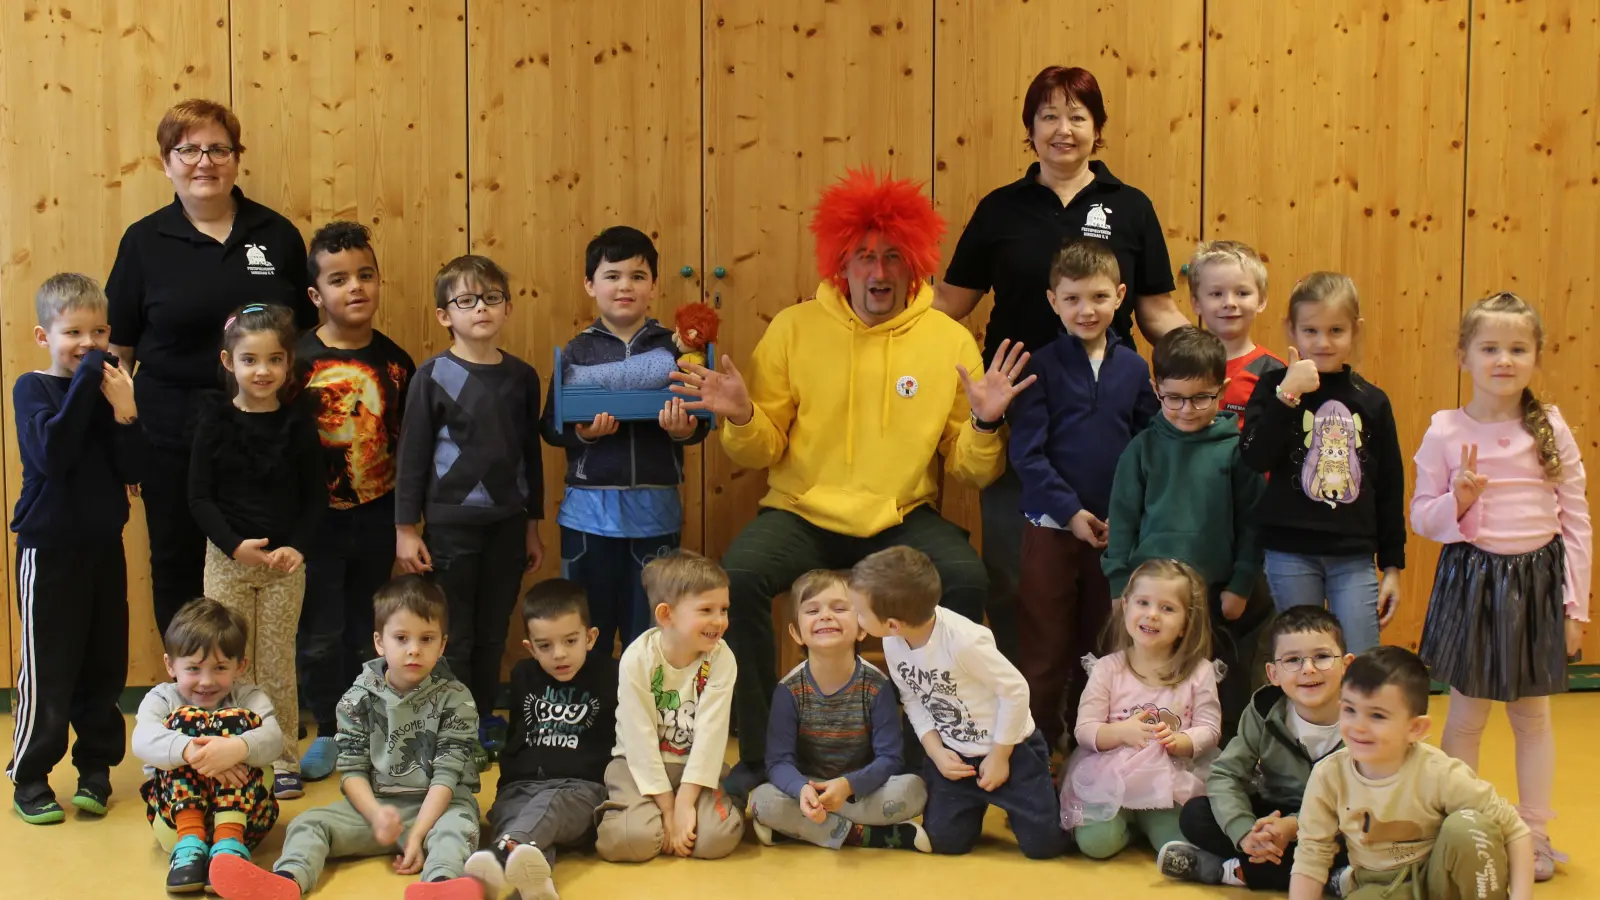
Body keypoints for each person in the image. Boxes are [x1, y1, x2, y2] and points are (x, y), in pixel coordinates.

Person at [670, 169, 1033, 783]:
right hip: (801, 510)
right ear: (843, 264)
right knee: (742, 576)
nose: (879, 271)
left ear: (913, 266)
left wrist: (983, 422)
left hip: (900, 516)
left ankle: (942, 748)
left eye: (893, 256)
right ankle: (761, 754)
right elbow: (761, 451)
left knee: (966, 580)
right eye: (865, 257)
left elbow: (972, 471)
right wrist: (741, 416)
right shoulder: (793, 328)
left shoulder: (947, 340)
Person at [936, 65, 1188, 665]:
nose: (1063, 129)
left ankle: (1098, 718)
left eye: (1077, 116)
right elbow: (949, 304)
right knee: (1017, 571)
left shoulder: (1130, 207)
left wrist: (1215, 365)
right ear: (1030, 129)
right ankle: (1027, 719)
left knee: (1110, 570)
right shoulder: (1001, 209)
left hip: (1110, 412)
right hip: (1016, 403)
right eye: (1049, 115)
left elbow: (1157, 310)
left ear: (1097, 129)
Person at [107, 98, 318, 636]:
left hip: (268, 439)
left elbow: (311, 335)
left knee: (269, 561)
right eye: (189, 150)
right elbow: (119, 352)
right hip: (171, 438)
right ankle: (189, 688)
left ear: (236, 158)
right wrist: (125, 444)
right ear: (166, 162)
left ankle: (255, 691)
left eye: (218, 149)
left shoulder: (276, 234)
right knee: (177, 560)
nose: (205, 161)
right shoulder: (143, 241)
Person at [1412, 292, 1591, 881]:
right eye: (1490, 348)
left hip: (1538, 585)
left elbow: (1575, 519)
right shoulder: (1444, 430)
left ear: (1536, 356)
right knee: (1465, 717)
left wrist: (1575, 606)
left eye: (1518, 348)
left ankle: (1534, 832)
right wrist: (1456, 502)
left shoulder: (1552, 428)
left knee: (1532, 718)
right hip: (1471, 581)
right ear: (1464, 355)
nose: (1504, 360)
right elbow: (1422, 518)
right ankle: (1467, 826)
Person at [210, 576, 484, 900]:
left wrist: (418, 835)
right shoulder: (357, 698)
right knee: (309, 822)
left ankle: (440, 885)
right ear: (380, 642)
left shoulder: (457, 698)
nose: (414, 649)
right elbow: (352, 771)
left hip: (439, 807)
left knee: (458, 830)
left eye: (426, 639)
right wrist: (376, 816)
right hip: (376, 808)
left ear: (442, 645)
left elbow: (447, 774)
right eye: (401, 638)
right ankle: (286, 881)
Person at [1007, 237, 1159, 750]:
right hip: (1052, 530)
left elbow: (1148, 447)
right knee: (1046, 647)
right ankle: (1040, 745)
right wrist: (1070, 511)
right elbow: (1027, 455)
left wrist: (1128, 515)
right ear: (1053, 301)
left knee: (1103, 644)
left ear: (1119, 295)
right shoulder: (1039, 366)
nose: (1085, 310)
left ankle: (1091, 745)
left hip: (1115, 537)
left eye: (1097, 297)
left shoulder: (1136, 369)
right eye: (1071, 299)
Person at [396, 254, 546, 760]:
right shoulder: (432, 377)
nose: (480, 308)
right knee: (452, 633)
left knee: (491, 632)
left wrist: (532, 525)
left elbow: (531, 455)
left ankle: (481, 718)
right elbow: (413, 456)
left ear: (507, 307)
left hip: (507, 525)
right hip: (450, 528)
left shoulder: (522, 377)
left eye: (491, 298)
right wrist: (406, 528)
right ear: (445, 315)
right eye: (466, 300)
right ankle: (450, 725)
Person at [7, 274, 143, 825]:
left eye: (99, 331)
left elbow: (134, 471)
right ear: (44, 336)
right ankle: (32, 775)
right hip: (50, 550)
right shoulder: (32, 389)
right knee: (49, 668)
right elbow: (53, 456)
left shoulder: (113, 388)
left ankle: (95, 770)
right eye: (73, 333)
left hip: (102, 548)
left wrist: (128, 410)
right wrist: (92, 377)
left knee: (103, 664)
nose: (88, 344)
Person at [540, 225, 709, 659]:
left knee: (650, 629)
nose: (624, 287)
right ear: (590, 285)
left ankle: (645, 722)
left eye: (637, 276)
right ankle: (591, 717)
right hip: (587, 517)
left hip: (655, 513)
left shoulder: (675, 350)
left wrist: (683, 429)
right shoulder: (576, 352)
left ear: (653, 285)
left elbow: (701, 421)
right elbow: (550, 426)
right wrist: (581, 433)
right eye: (612, 275)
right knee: (584, 628)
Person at [293, 221, 416, 782]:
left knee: (371, 627)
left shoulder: (396, 363)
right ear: (317, 295)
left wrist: (407, 524)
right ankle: (328, 727)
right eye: (339, 279)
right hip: (311, 523)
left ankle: (369, 726)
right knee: (320, 633)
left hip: (376, 516)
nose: (356, 288)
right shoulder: (294, 363)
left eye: (365, 275)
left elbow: (409, 448)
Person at [1102, 326, 1267, 742]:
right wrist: (1120, 585)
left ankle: (1220, 763)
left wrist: (1242, 583)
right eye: (1173, 397)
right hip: (1151, 599)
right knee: (1151, 683)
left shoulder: (1235, 451)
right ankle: (1151, 762)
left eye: (1201, 398)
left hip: (1213, 596)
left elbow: (1252, 522)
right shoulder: (1142, 449)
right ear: (1157, 389)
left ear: (1223, 389)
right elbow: (1122, 521)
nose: (1187, 409)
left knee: (1215, 687)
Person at [189, 304, 326, 799]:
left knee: (275, 665)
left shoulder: (297, 425)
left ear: (288, 364)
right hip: (227, 565)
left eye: (273, 359)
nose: (261, 370)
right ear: (229, 363)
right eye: (249, 360)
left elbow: (315, 498)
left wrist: (298, 548)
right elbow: (199, 498)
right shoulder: (215, 422)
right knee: (222, 660)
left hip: (283, 569)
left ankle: (283, 754)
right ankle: (223, 751)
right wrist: (233, 546)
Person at [853, 547, 1064, 859]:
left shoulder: (964, 642)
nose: (856, 617)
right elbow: (912, 698)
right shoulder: (892, 642)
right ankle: (972, 803)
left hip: (1011, 751)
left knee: (1044, 846)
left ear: (893, 623)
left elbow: (1016, 691)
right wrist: (937, 752)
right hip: (956, 756)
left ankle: (1055, 794)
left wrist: (1000, 756)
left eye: (860, 613)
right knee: (946, 843)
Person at [1241, 273, 1406, 653]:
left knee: (1360, 659)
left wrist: (1392, 566)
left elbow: (1390, 487)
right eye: (1310, 330)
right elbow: (1254, 456)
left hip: (1353, 556)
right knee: (1303, 658)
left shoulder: (1373, 401)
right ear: (1292, 330)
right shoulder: (1274, 388)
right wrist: (1288, 395)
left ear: (1355, 331)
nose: (1323, 342)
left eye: (1336, 330)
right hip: (1289, 551)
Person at [1289, 646, 1533, 900]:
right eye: (1350, 710)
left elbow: (1516, 831)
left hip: (1441, 878)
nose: (1358, 726)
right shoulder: (1328, 776)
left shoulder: (1439, 772)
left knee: (1469, 828)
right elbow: (1311, 855)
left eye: (1377, 715)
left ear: (1415, 728)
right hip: (1378, 884)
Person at [1160, 605, 1352, 891]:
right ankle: (1329, 880)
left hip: (1336, 822)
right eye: (1293, 660)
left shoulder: (1362, 717)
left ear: (1347, 665)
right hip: (1276, 814)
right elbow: (1225, 775)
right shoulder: (1264, 708)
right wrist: (1246, 832)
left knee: (1367, 838)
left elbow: (1365, 798)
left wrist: (1294, 827)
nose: (1308, 669)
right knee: (1195, 814)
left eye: (1322, 657)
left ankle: (1226, 871)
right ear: (1273, 673)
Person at [750, 569, 930, 852]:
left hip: (861, 789)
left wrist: (849, 785)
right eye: (812, 610)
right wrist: (802, 790)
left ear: (861, 626)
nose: (825, 616)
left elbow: (891, 758)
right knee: (761, 800)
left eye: (839, 608)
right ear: (796, 633)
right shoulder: (789, 690)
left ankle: (806, 829)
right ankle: (872, 836)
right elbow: (778, 762)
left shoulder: (876, 686)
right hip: (812, 789)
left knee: (914, 789)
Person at [465, 579, 617, 900]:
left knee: (549, 807)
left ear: (590, 638)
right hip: (521, 788)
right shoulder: (522, 675)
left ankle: (499, 855)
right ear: (530, 647)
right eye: (545, 646)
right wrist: (509, 784)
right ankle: (533, 891)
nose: (559, 654)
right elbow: (518, 735)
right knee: (519, 823)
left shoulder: (611, 676)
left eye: (570, 641)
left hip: (580, 790)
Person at [1063, 559, 1222, 860]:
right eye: (1143, 602)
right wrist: (1120, 731)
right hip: (1110, 780)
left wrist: (1183, 741)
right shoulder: (1108, 669)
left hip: (1169, 781)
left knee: (1179, 844)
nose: (1152, 614)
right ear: (1125, 606)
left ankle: (1149, 821)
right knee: (1095, 845)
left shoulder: (1199, 672)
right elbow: (1084, 729)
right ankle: (1127, 824)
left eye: (1167, 608)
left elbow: (1210, 728)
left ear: (1185, 623)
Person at [595, 550, 745, 862]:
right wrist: (667, 808)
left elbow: (712, 736)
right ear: (666, 615)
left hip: (694, 769)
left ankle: (720, 803)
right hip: (638, 767)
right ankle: (630, 811)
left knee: (714, 841)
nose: (719, 621)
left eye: (724, 609)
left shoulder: (721, 658)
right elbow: (639, 740)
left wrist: (686, 804)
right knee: (631, 841)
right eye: (706, 610)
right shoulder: (638, 658)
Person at [133, 599, 282, 892]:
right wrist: (194, 752)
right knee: (185, 720)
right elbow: (141, 739)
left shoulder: (249, 697)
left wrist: (236, 749)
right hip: (176, 825)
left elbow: (275, 739)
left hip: (246, 821)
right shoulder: (162, 698)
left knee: (238, 721)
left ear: (240, 666)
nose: (206, 681)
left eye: (220, 667)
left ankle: (228, 846)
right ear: (170, 666)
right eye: (193, 668)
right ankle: (190, 846)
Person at [1184, 240, 1283, 428]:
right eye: (1216, 294)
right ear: (1196, 302)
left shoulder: (1273, 372)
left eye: (1242, 293)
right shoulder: (1180, 364)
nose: (1229, 303)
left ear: (1261, 300)